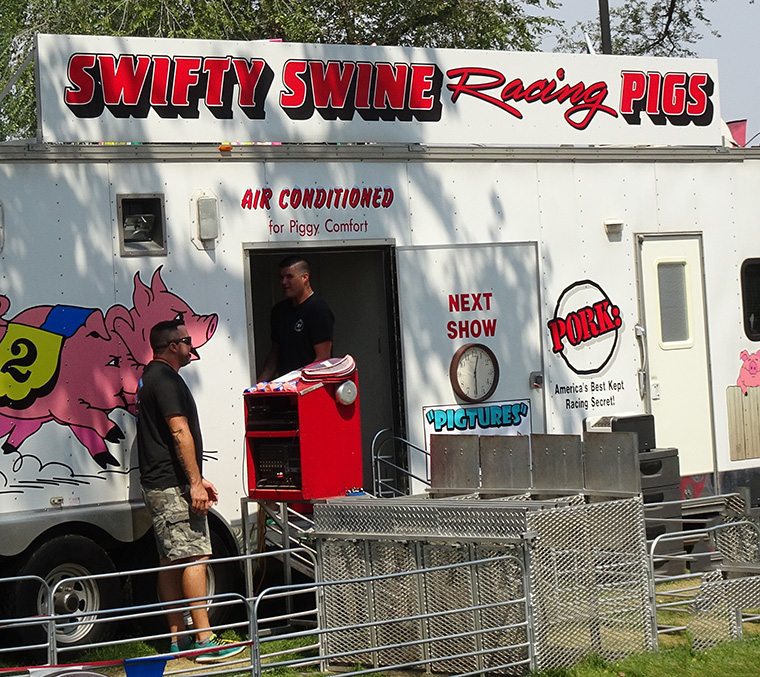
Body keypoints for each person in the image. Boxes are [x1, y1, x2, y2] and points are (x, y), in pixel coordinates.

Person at [136, 319, 243, 662]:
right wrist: (194, 483)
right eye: (186, 341)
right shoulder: (165, 380)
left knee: (169, 560)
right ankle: (205, 640)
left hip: (162, 482)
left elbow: (169, 441)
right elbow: (179, 432)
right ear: (172, 346)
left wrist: (197, 477)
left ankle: (176, 640)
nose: (190, 347)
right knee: (197, 556)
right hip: (171, 485)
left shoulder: (152, 377)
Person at [257, 256, 335, 380]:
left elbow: (322, 359)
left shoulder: (318, 309)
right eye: (281, 277)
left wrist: (299, 384)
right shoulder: (279, 311)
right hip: (285, 388)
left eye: (289, 277)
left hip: (309, 388)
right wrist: (259, 386)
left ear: (305, 278)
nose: (284, 282)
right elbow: (275, 354)